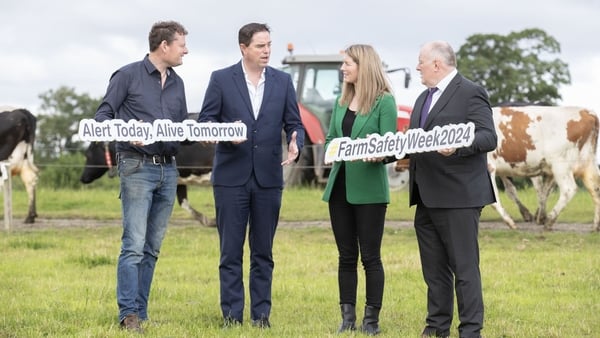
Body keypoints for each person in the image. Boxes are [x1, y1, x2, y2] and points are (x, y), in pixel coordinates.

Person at [198, 22, 305, 328]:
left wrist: (297, 139)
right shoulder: (221, 79)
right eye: (260, 46)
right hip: (231, 177)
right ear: (243, 48)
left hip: (269, 178)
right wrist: (222, 134)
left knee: (263, 252)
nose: (267, 51)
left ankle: (261, 317)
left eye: (269, 44)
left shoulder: (283, 82)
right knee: (230, 252)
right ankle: (232, 317)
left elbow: (294, 122)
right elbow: (207, 120)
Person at [94, 21, 189, 332]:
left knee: (152, 247)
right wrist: (126, 132)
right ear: (164, 46)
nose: (185, 50)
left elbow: (181, 128)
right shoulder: (126, 75)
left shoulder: (178, 83)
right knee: (133, 244)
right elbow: (103, 116)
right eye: (181, 45)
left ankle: (141, 313)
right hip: (136, 166)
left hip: (169, 169)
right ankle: (128, 316)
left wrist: (204, 135)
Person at [406, 41, 497, 338]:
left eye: (420, 61)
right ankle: (436, 327)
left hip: (460, 196)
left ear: (436, 64)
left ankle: (470, 331)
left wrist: (459, 147)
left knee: (465, 269)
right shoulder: (422, 99)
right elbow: (414, 141)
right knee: (433, 271)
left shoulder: (471, 92)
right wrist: (388, 152)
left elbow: (488, 137)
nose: (417, 66)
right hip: (425, 196)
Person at [322, 44, 398, 335]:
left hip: (369, 191)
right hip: (339, 190)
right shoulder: (342, 102)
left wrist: (381, 153)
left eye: (347, 63)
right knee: (345, 256)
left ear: (363, 66)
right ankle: (347, 319)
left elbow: (391, 146)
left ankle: (371, 321)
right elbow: (330, 139)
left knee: (370, 257)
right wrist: (335, 148)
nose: (343, 68)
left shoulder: (384, 102)